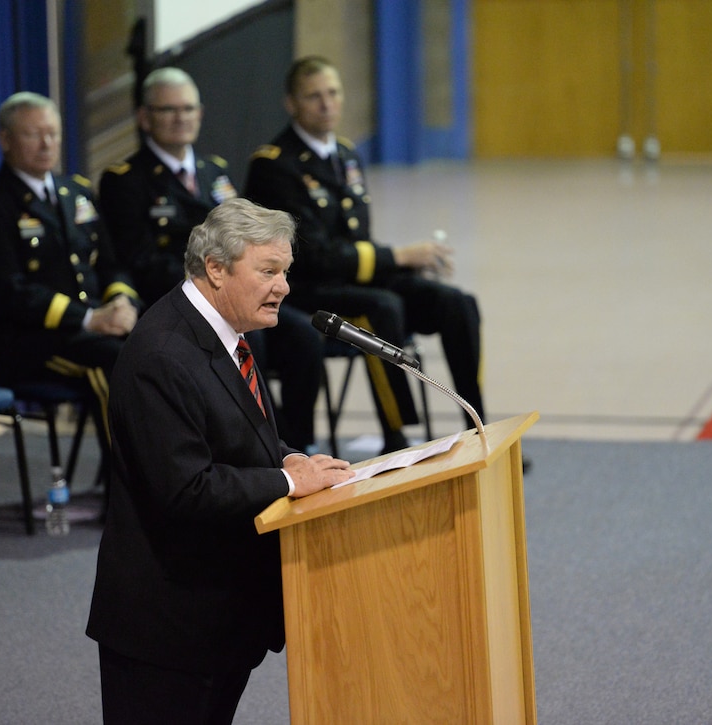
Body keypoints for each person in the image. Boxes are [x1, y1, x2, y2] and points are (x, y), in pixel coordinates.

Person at [86, 198, 354, 724]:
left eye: (286, 271)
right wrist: (285, 480)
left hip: (217, 620)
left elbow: (236, 434)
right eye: (269, 271)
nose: (284, 287)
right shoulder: (161, 355)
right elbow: (185, 490)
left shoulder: (223, 336)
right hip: (166, 630)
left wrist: (293, 459)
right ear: (215, 268)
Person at [244, 55, 484, 454]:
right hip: (308, 289)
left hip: (357, 278)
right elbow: (314, 255)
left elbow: (358, 237)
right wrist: (399, 256)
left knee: (457, 303)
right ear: (291, 104)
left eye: (333, 93)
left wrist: (401, 262)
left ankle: (477, 424)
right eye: (314, 96)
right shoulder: (274, 165)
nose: (327, 104)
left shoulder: (346, 154)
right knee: (383, 306)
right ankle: (398, 438)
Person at [100, 66, 324, 452]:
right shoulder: (125, 179)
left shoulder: (213, 171)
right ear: (144, 117)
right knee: (254, 337)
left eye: (188, 108)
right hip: (183, 296)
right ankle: (261, 448)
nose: (180, 118)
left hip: (233, 286)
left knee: (304, 336)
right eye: (168, 109)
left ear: (200, 113)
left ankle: (295, 444)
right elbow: (136, 258)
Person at [0, 91, 141, 450]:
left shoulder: (78, 193)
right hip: (25, 342)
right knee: (113, 360)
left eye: (53, 133)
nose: (47, 143)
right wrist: (90, 319)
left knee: (158, 344)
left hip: (91, 332)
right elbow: (9, 292)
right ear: (5, 140)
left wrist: (121, 303)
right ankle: (128, 487)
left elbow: (111, 264)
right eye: (33, 134)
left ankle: (166, 471)